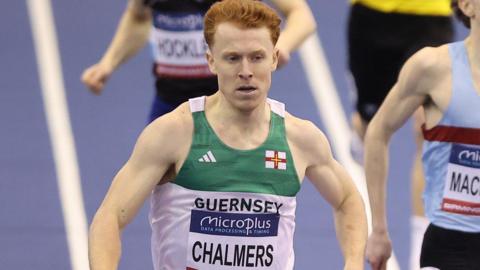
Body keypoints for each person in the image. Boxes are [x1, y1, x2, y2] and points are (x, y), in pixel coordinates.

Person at [88, 1, 367, 269]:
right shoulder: (173, 134)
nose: (246, 72)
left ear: (273, 58)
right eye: (233, 58)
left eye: (256, 57)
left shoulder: (300, 139)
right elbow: (110, 216)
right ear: (211, 62)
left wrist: (353, 263)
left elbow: (347, 200)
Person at [364, 0, 480, 269]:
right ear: (466, 6)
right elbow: (378, 132)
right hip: (451, 246)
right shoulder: (433, 68)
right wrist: (379, 229)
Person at [346, 1, 454, 268]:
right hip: (373, 14)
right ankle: (362, 130)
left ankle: (420, 245)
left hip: (431, 16)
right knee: (372, 125)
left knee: (427, 129)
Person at [81, 0, 316, 123]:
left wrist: (280, 47)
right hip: (168, 104)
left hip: (230, 109)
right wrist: (108, 63)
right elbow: (138, 17)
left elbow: (301, 14)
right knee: (164, 195)